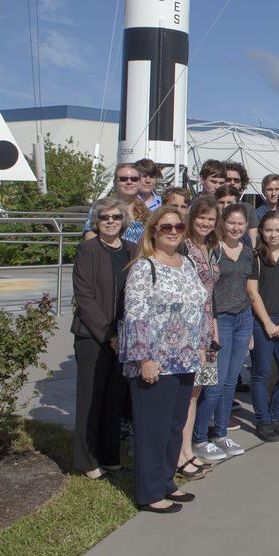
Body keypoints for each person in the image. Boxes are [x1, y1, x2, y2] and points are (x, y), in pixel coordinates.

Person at [120, 205, 209, 512]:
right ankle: (149, 492)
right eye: (166, 227)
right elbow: (135, 315)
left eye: (178, 227)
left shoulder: (186, 263)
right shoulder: (145, 267)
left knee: (174, 425)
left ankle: (166, 480)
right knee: (152, 428)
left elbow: (200, 306)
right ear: (154, 232)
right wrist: (143, 358)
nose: (173, 231)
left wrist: (201, 344)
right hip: (156, 361)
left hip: (184, 359)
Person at [71, 197, 132, 479]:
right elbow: (84, 297)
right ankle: (86, 459)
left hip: (123, 336)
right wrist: (108, 335)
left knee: (113, 399)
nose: (110, 222)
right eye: (105, 217)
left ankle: (110, 455)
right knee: (91, 399)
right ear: (97, 221)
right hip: (93, 337)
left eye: (116, 217)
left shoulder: (132, 250)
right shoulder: (88, 249)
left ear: (124, 222)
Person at [202, 203, 255, 451]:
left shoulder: (247, 251)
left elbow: (250, 288)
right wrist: (211, 327)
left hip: (242, 319)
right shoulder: (213, 250)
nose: (236, 228)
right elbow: (207, 290)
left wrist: (252, 327)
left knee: (231, 382)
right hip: (219, 320)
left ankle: (221, 434)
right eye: (231, 223)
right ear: (223, 223)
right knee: (214, 385)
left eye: (240, 224)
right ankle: (200, 437)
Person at [246, 211, 279, 442]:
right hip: (263, 323)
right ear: (261, 231)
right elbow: (252, 291)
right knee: (261, 373)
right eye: (268, 229)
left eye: (278, 229)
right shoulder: (255, 257)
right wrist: (266, 322)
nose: (273, 234)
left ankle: (276, 417)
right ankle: (263, 420)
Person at [182, 197, 225, 465]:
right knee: (184, 390)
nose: (206, 223)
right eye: (201, 217)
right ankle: (179, 452)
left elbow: (212, 293)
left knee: (196, 390)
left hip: (207, 324)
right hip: (185, 325)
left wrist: (214, 329)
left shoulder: (211, 247)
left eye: (211, 219)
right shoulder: (183, 247)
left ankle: (187, 449)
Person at [84, 163, 149, 243]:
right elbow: (90, 236)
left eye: (134, 179)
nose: (129, 182)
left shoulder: (145, 210)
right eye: (123, 179)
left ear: (139, 182)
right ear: (115, 183)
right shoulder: (101, 207)